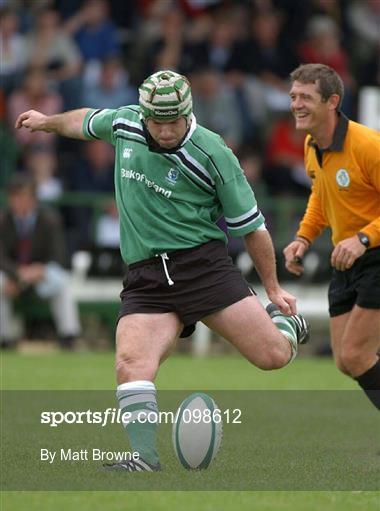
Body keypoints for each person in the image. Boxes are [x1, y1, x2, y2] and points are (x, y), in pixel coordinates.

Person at [15, 70, 310, 472]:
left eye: (174, 121)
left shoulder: (214, 154)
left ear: (188, 114)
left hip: (202, 269)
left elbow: (253, 228)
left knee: (273, 357)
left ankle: (286, 325)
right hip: (146, 276)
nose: (166, 130)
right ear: (144, 114)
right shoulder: (125, 123)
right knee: (131, 364)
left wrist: (273, 290)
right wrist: (47, 122)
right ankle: (144, 457)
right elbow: (84, 120)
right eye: (158, 121)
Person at [284, 63, 380, 410]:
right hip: (346, 260)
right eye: (294, 96)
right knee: (345, 360)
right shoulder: (312, 144)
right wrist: (303, 238)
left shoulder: (368, 145)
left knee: (356, 355)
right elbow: (321, 196)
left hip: (374, 256)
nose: (296, 104)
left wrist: (363, 239)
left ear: (332, 101)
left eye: (306, 97)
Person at [0, 174, 81, 349]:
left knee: (62, 284)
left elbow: (59, 255)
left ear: (34, 199)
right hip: (13, 276)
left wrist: (39, 270)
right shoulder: (3, 220)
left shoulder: (49, 219)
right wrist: (17, 274)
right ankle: (4, 339)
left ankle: (68, 336)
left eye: (24, 196)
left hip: (41, 275)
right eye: (16, 197)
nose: (20, 202)